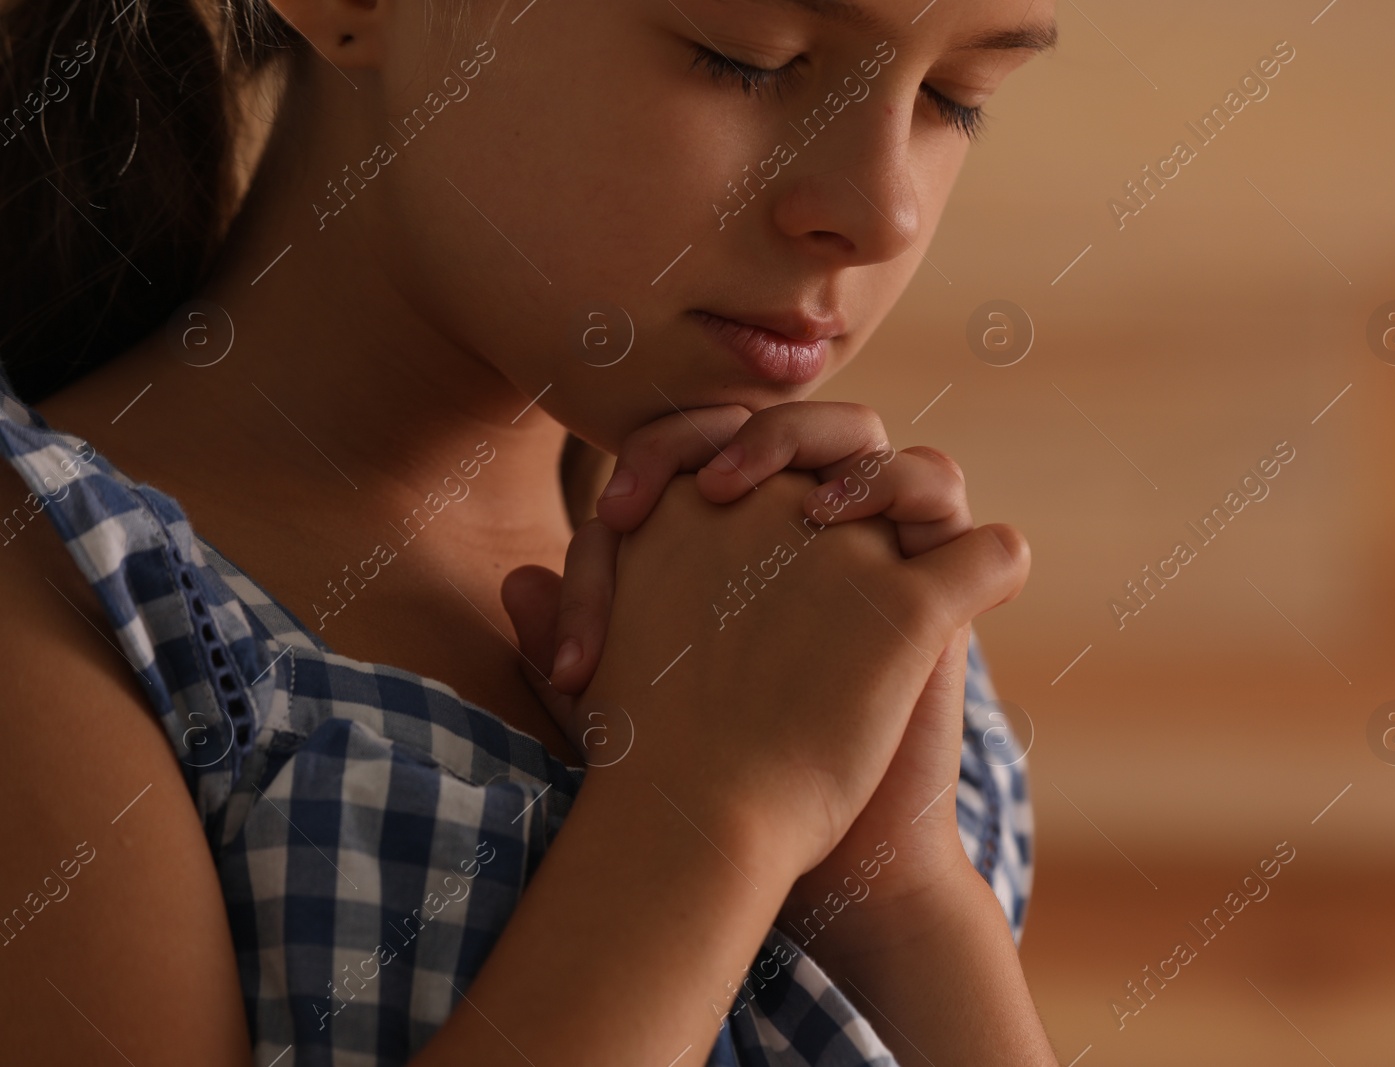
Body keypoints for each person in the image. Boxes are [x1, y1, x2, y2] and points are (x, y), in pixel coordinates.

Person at [0, 0, 1060, 1064]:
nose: (885, 213)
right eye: (744, 59)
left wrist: (909, 896)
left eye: (952, 100)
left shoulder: (848, 642)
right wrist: (700, 815)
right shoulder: (63, 603)